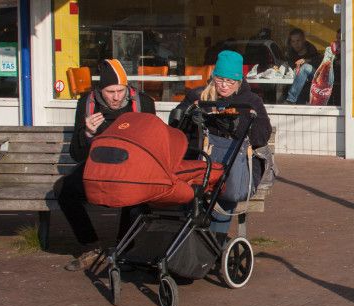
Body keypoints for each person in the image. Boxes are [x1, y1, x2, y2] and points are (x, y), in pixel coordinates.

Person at [59, 59, 156, 271]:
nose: (116, 97)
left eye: (120, 90)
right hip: (99, 167)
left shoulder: (143, 103)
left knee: (137, 194)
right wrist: (87, 133)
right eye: (110, 91)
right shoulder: (87, 104)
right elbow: (76, 155)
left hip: (132, 168)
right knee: (64, 190)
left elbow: (153, 144)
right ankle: (91, 248)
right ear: (100, 89)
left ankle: (124, 250)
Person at [171, 50, 272, 244]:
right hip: (201, 164)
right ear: (213, 77)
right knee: (187, 192)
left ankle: (212, 245)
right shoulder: (198, 96)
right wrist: (190, 117)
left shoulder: (251, 101)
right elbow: (176, 129)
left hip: (233, 168)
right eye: (220, 80)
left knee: (223, 191)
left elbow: (262, 136)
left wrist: (238, 124)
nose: (224, 86)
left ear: (239, 81)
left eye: (230, 82)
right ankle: (188, 246)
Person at [283, 28, 321, 104]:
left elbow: (319, 62)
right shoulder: (290, 52)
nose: (296, 44)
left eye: (298, 41)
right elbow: (290, 67)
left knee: (305, 67)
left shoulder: (311, 49)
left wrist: (306, 60)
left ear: (303, 40)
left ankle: (290, 99)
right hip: (299, 83)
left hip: (315, 77)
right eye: (293, 41)